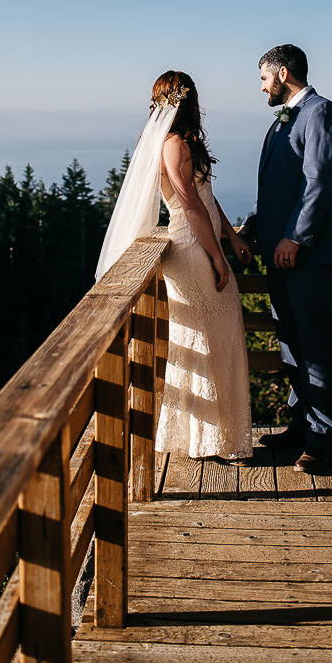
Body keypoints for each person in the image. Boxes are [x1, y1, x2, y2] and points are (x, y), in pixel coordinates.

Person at [96, 71, 253, 463]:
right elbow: (189, 204)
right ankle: (202, 437)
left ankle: (218, 433)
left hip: (204, 242)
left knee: (219, 334)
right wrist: (217, 256)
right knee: (201, 336)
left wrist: (230, 235)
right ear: (187, 101)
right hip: (190, 249)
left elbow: (206, 196)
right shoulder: (173, 146)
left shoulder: (182, 143)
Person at [239, 44, 332, 474]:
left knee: (316, 345)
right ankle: (301, 423)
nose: (262, 88)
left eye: (264, 79)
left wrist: (295, 238)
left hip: (309, 258)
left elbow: (317, 184)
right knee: (290, 342)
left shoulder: (321, 113)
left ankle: (323, 438)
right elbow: (274, 194)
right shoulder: (284, 122)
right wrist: (249, 230)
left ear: (283, 74)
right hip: (280, 256)